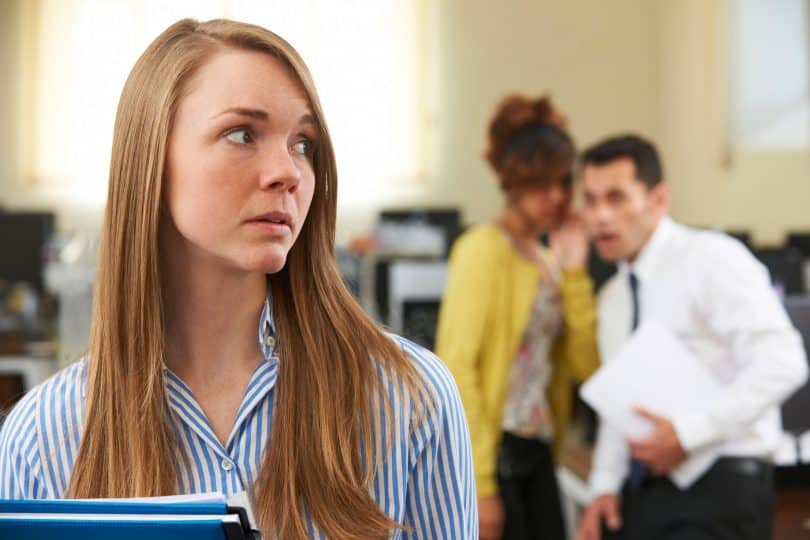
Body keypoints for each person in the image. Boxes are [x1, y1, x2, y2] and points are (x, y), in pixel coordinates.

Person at [0, 18, 477, 539]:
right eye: (242, 134)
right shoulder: (42, 437)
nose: (288, 172)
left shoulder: (409, 399)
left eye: (303, 144)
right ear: (150, 162)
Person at [575, 134, 809, 540]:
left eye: (616, 198)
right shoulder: (613, 298)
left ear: (659, 200)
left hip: (724, 483)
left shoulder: (710, 258)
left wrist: (688, 434)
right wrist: (603, 487)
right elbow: (621, 405)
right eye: (590, 200)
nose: (600, 217)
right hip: (648, 488)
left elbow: (784, 362)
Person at [435, 94, 599, 540]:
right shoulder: (482, 250)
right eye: (541, 183)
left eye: (563, 183)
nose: (557, 196)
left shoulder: (550, 261)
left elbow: (587, 366)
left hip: (540, 447)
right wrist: (480, 484)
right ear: (512, 182)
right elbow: (457, 368)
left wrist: (576, 271)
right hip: (496, 455)